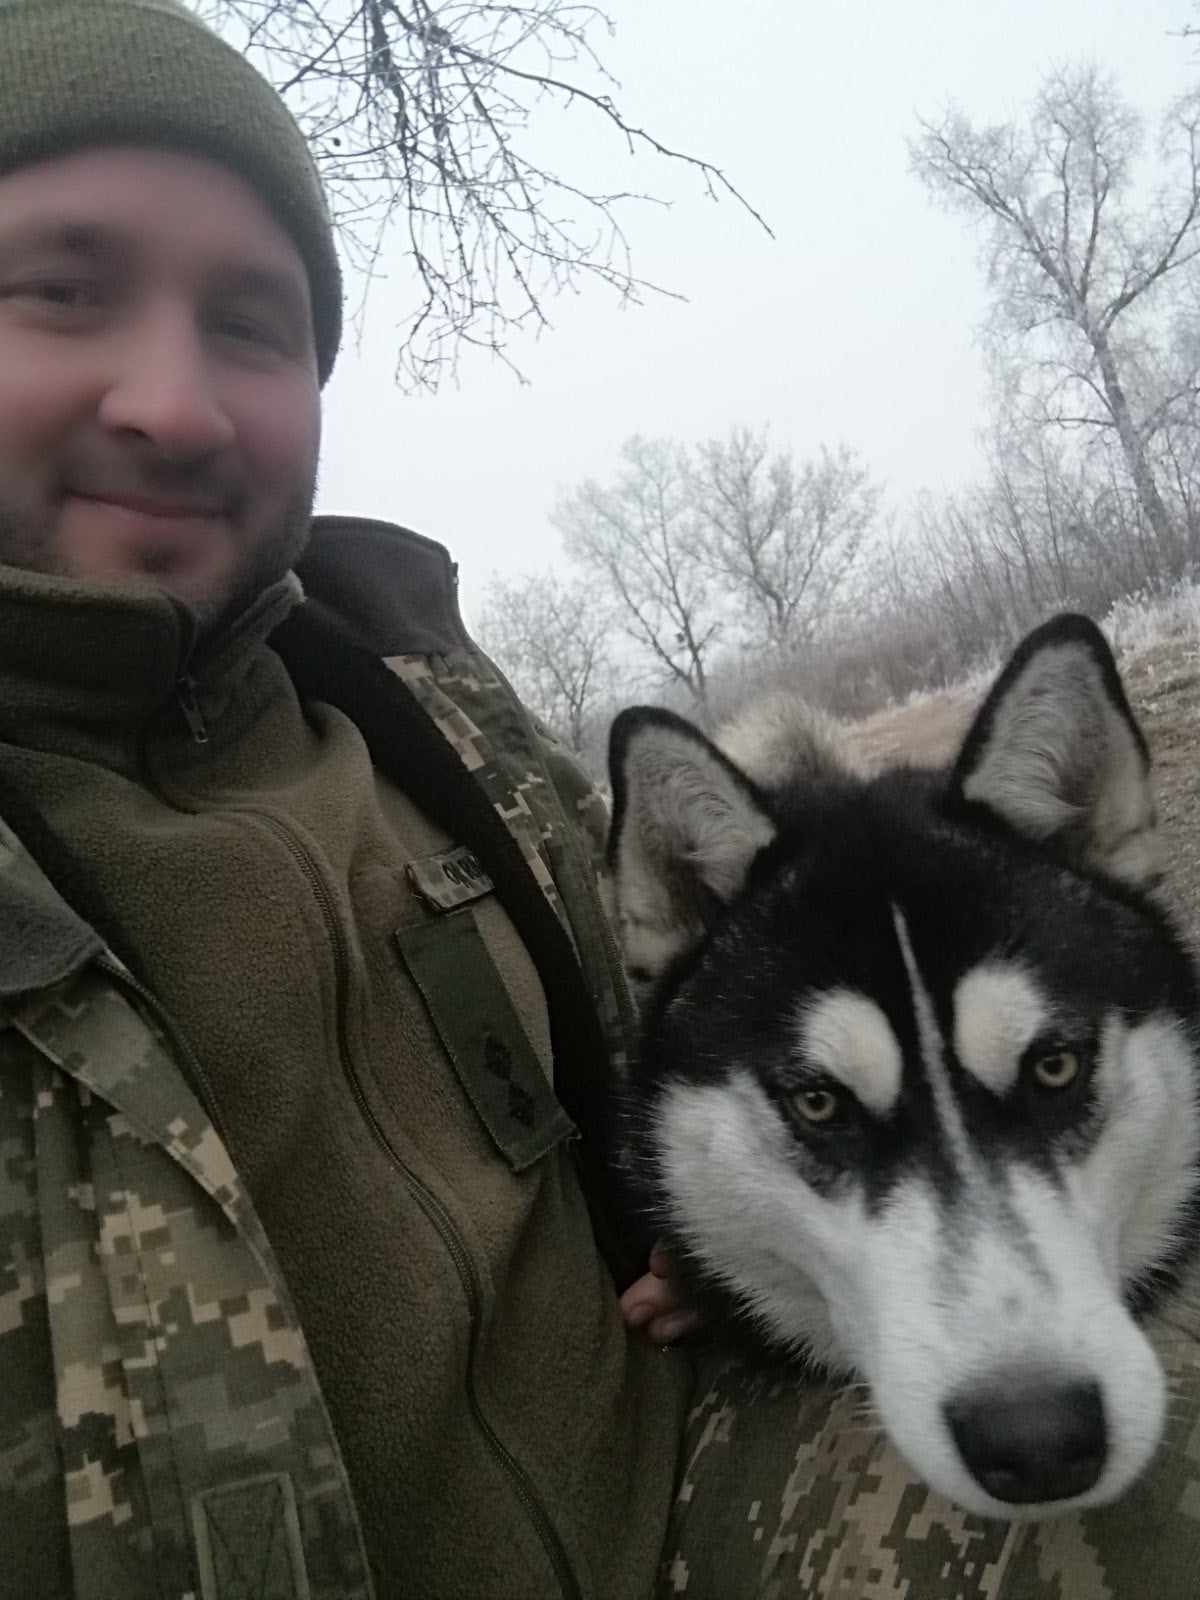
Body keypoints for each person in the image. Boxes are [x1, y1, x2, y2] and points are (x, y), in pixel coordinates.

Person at [1, 4, 1199, 1598]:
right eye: (62, 294)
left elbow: (730, 1029)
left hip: (705, 1491)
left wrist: (731, 1242)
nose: (175, 403)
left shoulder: (435, 731)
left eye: (252, 321)